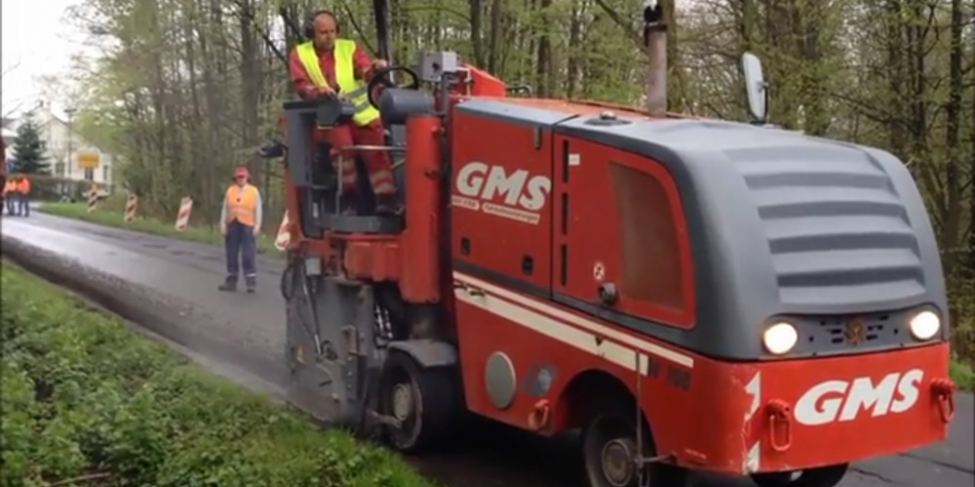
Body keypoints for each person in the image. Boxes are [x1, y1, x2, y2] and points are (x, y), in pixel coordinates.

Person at [287, 9, 398, 215]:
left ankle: (386, 200)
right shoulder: (300, 54)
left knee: (376, 151)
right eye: (323, 32)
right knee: (343, 147)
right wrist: (319, 91)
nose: (329, 37)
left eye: (332, 31)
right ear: (312, 33)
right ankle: (350, 199)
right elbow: (302, 86)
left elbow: (365, 71)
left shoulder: (350, 48)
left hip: (362, 113)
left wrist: (375, 68)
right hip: (328, 117)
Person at [218, 166, 263, 293]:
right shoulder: (230, 191)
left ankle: (250, 281)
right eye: (239, 177)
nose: (241, 179)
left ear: (247, 177)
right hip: (233, 223)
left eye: (243, 177)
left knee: (248, 254)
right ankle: (231, 280)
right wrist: (222, 223)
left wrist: (258, 225)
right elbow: (225, 208)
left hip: (248, 225)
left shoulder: (253, 191)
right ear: (235, 178)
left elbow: (258, 209)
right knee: (231, 253)